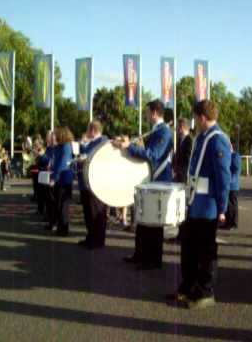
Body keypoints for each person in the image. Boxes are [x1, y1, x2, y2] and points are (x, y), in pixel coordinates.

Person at [171, 99, 231, 310]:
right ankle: (188, 286)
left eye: (195, 118)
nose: (194, 122)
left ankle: (205, 291)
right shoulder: (202, 137)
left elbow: (223, 177)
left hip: (208, 207)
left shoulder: (218, 140)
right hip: (194, 203)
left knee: (206, 252)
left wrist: (223, 208)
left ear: (202, 118)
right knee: (189, 249)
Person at [114, 100, 173, 270]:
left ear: (154, 113)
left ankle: (153, 260)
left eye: (147, 112)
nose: (146, 115)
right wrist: (130, 143)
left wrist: (129, 147)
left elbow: (153, 155)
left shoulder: (164, 132)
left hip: (158, 180)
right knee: (142, 219)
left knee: (153, 222)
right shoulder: (157, 130)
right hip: (150, 180)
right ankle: (140, 254)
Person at [77, 120, 109, 249]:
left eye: (88, 130)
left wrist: (86, 156)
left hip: (97, 181)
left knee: (96, 213)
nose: (86, 133)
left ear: (93, 130)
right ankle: (91, 237)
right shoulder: (93, 142)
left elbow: (97, 157)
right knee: (88, 212)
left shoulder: (103, 141)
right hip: (87, 180)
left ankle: (97, 240)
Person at [49, 127, 74, 236]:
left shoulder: (66, 146)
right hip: (60, 179)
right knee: (58, 204)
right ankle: (60, 227)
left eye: (55, 134)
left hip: (64, 179)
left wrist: (54, 178)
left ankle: (63, 229)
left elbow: (63, 164)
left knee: (63, 205)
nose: (53, 136)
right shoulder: (59, 146)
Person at [221, 143, 241, 230]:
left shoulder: (235, 155)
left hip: (232, 184)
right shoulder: (227, 156)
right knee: (228, 205)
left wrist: (230, 180)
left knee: (233, 205)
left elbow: (236, 170)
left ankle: (234, 223)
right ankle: (228, 222)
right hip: (227, 184)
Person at [173, 118, 193, 183]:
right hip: (177, 175)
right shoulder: (179, 139)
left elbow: (188, 159)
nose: (176, 129)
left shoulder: (189, 140)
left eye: (177, 127)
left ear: (182, 127)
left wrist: (181, 172)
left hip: (184, 176)